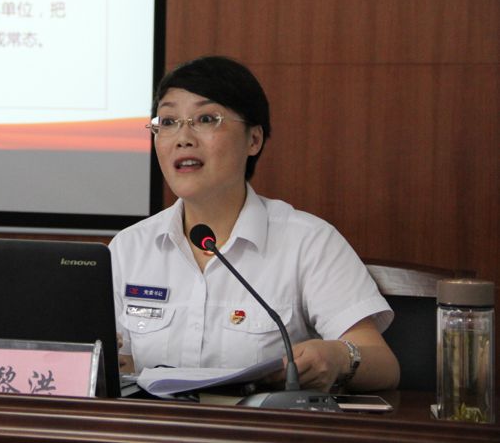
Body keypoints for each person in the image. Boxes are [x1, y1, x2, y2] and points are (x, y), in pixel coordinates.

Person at [110, 56, 399, 392]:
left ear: (254, 140)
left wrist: (338, 357)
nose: (183, 137)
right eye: (169, 121)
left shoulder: (308, 242)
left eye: (206, 119)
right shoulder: (129, 248)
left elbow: (383, 364)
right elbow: (117, 364)